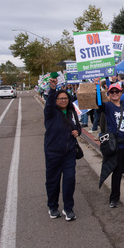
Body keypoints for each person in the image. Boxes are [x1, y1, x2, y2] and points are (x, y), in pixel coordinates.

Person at [44, 77, 81, 221]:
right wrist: (53, 89)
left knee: (70, 179)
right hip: (53, 153)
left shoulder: (71, 112)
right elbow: (49, 104)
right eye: (60, 98)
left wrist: (78, 132)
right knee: (53, 180)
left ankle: (68, 208)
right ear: (56, 100)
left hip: (69, 153)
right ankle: (53, 207)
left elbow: (78, 127)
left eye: (65, 98)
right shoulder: (51, 112)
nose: (63, 100)